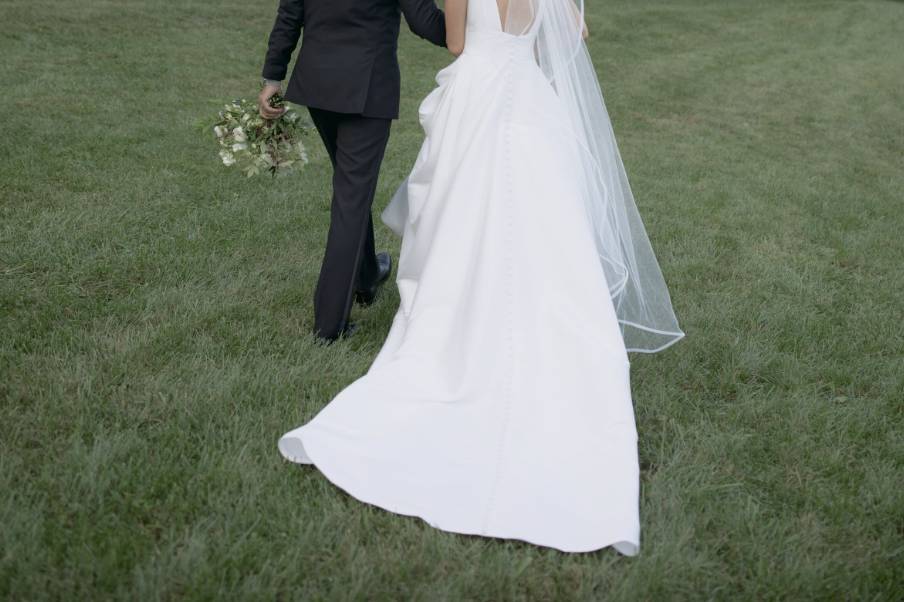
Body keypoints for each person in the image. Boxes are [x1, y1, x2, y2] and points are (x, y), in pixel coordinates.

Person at [278, 0, 684, 554]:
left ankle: (460, 320)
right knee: (541, 223)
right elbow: (570, 39)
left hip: (477, 97)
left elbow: (457, 44)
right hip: (528, 100)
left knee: (464, 215)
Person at [259, 0, 447, 342]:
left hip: (317, 85)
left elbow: (290, 12)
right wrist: (481, 36)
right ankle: (330, 325)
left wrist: (273, 76)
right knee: (351, 199)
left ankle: (366, 276)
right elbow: (425, 22)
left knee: (351, 190)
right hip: (365, 90)